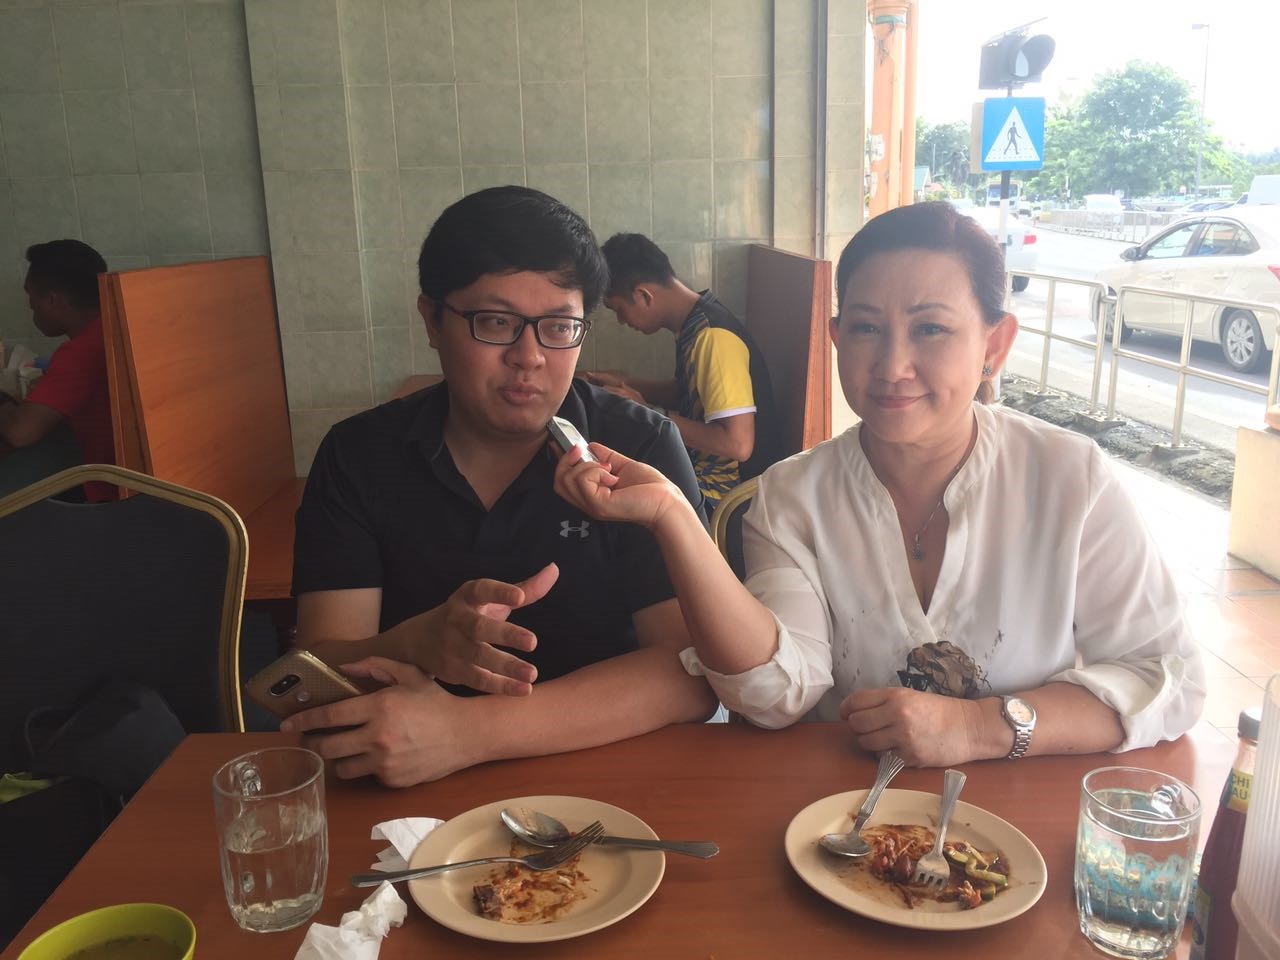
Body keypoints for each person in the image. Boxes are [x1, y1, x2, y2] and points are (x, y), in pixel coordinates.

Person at [554, 201, 1205, 767]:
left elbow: (1169, 679)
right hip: (843, 829)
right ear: (837, 339)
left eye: (930, 329)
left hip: (1020, 831)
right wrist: (674, 516)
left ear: (994, 345)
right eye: (866, 328)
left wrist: (981, 727)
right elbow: (776, 696)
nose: (893, 366)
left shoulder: (1068, 478)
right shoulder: (793, 496)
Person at [282, 186, 716, 786]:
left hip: (607, 781)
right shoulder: (359, 456)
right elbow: (313, 675)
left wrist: (469, 732)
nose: (529, 357)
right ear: (432, 320)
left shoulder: (638, 447)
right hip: (408, 788)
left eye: (559, 326)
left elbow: (689, 675)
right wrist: (413, 643)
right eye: (495, 322)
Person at [587, 233, 778, 507]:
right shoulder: (694, 324)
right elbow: (686, 393)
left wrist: (648, 411)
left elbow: (737, 444)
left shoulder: (713, 338)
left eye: (618, 309)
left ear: (643, 295)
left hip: (727, 497)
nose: (621, 320)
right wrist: (627, 384)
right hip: (706, 473)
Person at [0, 240, 114, 501]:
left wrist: (4, 405)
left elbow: (20, 433)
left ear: (52, 300)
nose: (30, 306)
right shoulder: (117, 326)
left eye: (30, 295)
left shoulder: (82, 350)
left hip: (110, 489)